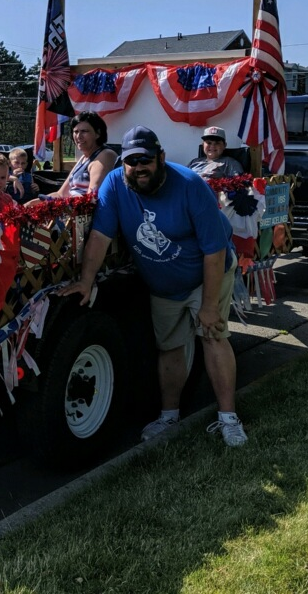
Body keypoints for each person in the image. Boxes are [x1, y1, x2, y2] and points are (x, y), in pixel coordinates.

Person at [58, 125, 247, 447]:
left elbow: (214, 251)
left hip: (206, 274)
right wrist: (86, 282)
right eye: (132, 161)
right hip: (164, 285)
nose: (139, 168)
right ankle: (169, 416)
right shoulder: (115, 184)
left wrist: (209, 305)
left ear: (160, 157)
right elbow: (100, 236)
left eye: (146, 159)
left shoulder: (191, 185)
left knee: (213, 336)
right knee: (170, 347)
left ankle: (229, 419)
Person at [44, 111, 117, 198]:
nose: (79, 136)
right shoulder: (84, 157)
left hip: (83, 210)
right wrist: (31, 205)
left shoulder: (105, 155)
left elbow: (92, 198)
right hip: (69, 207)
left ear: (98, 133)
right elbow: (61, 194)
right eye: (76, 131)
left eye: (84, 131)